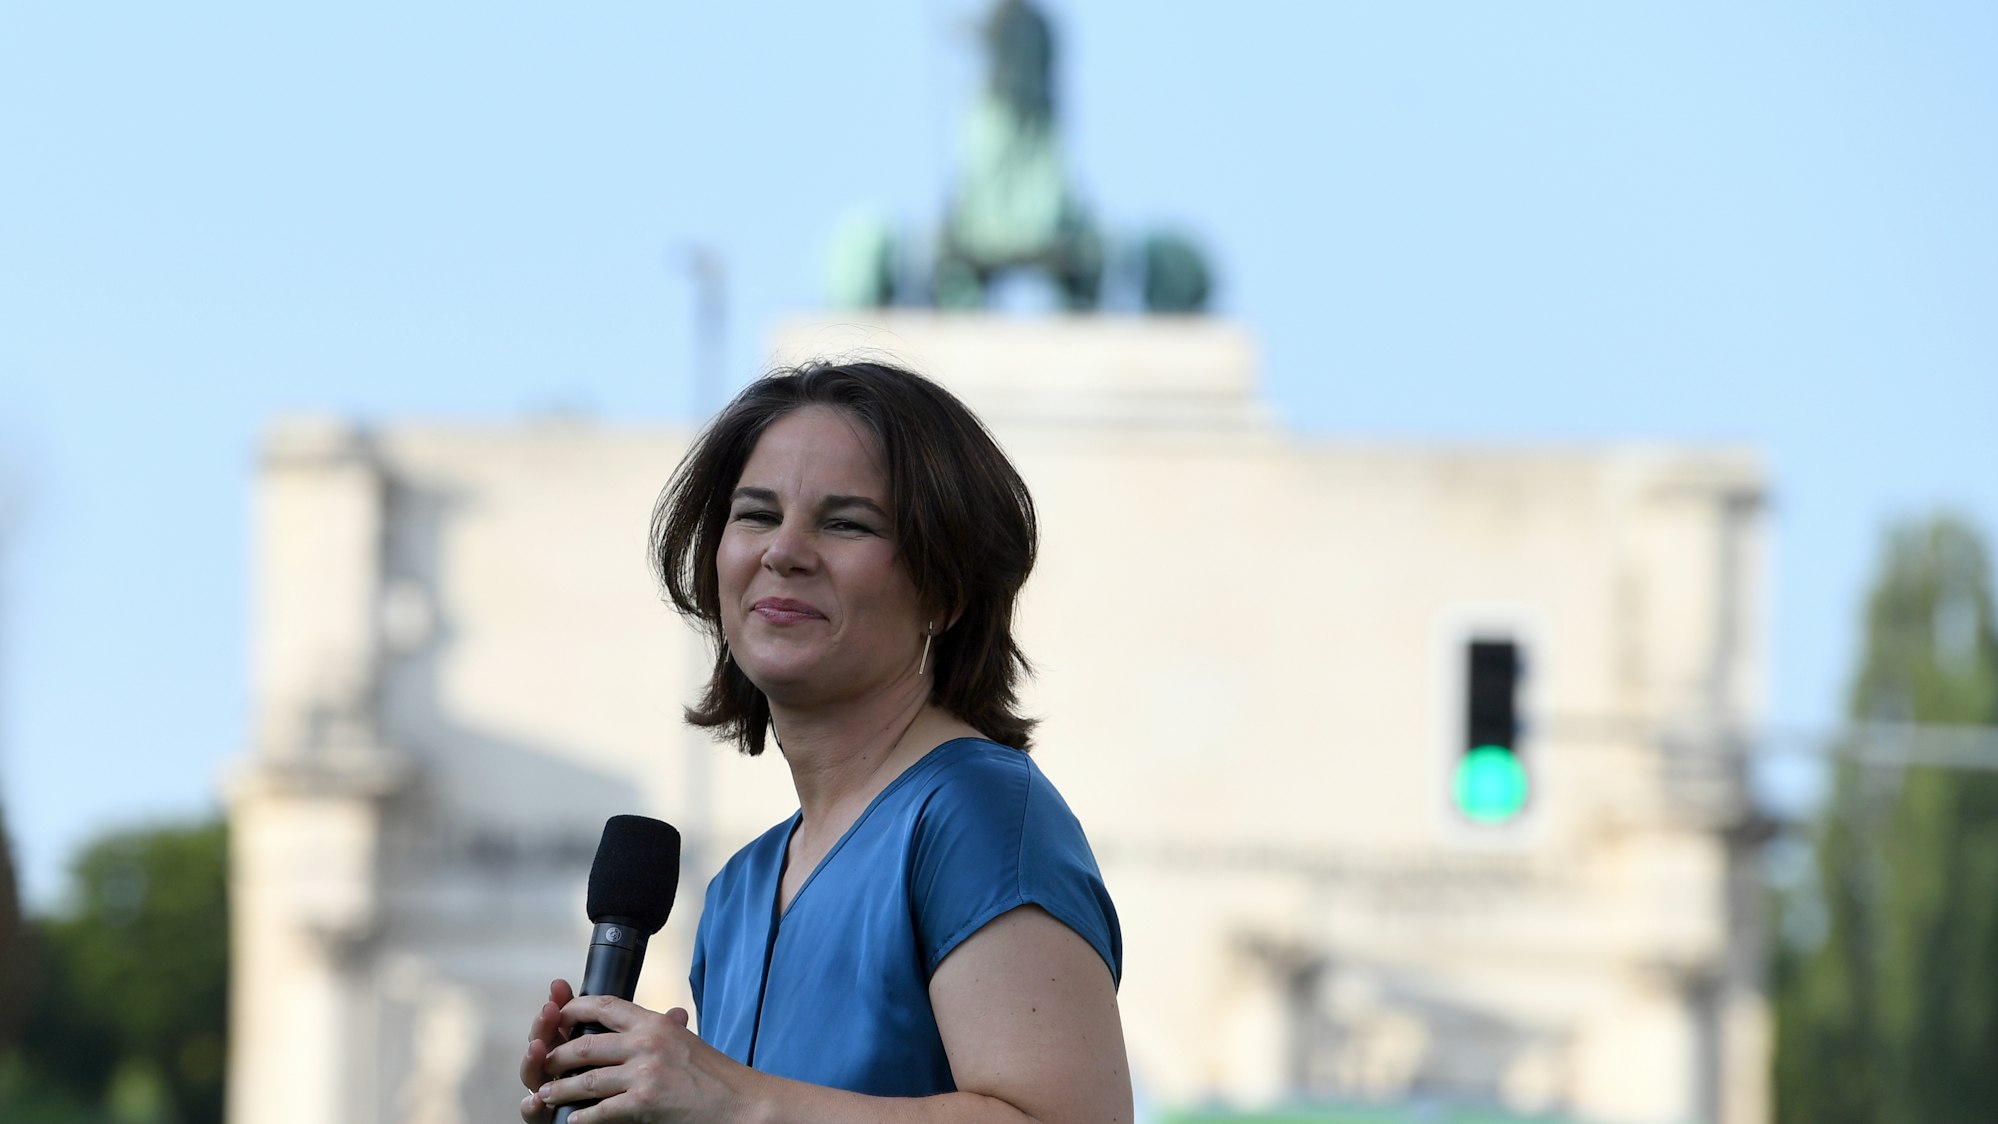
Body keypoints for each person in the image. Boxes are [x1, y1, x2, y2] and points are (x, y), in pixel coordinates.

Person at [519, 360, 1131, 1124]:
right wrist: (647, 1103)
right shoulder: (737, 893)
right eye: (756, 514)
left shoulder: (978, 815)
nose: (786, 551)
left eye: (846, 523)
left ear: (944, 588)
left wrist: (728, 1095)